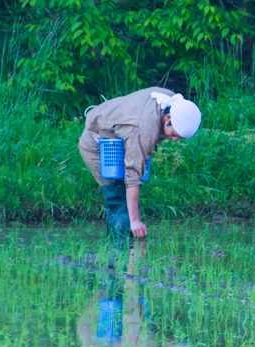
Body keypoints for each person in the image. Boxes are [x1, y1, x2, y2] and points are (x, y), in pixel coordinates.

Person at [80, 88, 202, 238]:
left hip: (120, 140)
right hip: (96, 142)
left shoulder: (173, 101)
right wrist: (135, 220)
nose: (175, 139)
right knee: (118, 197)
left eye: (180, 138)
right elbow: (133, 176)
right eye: (175, 134)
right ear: (168, 118)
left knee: (125, 200)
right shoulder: (144, 129)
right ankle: (122, 251)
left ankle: (115, 244)